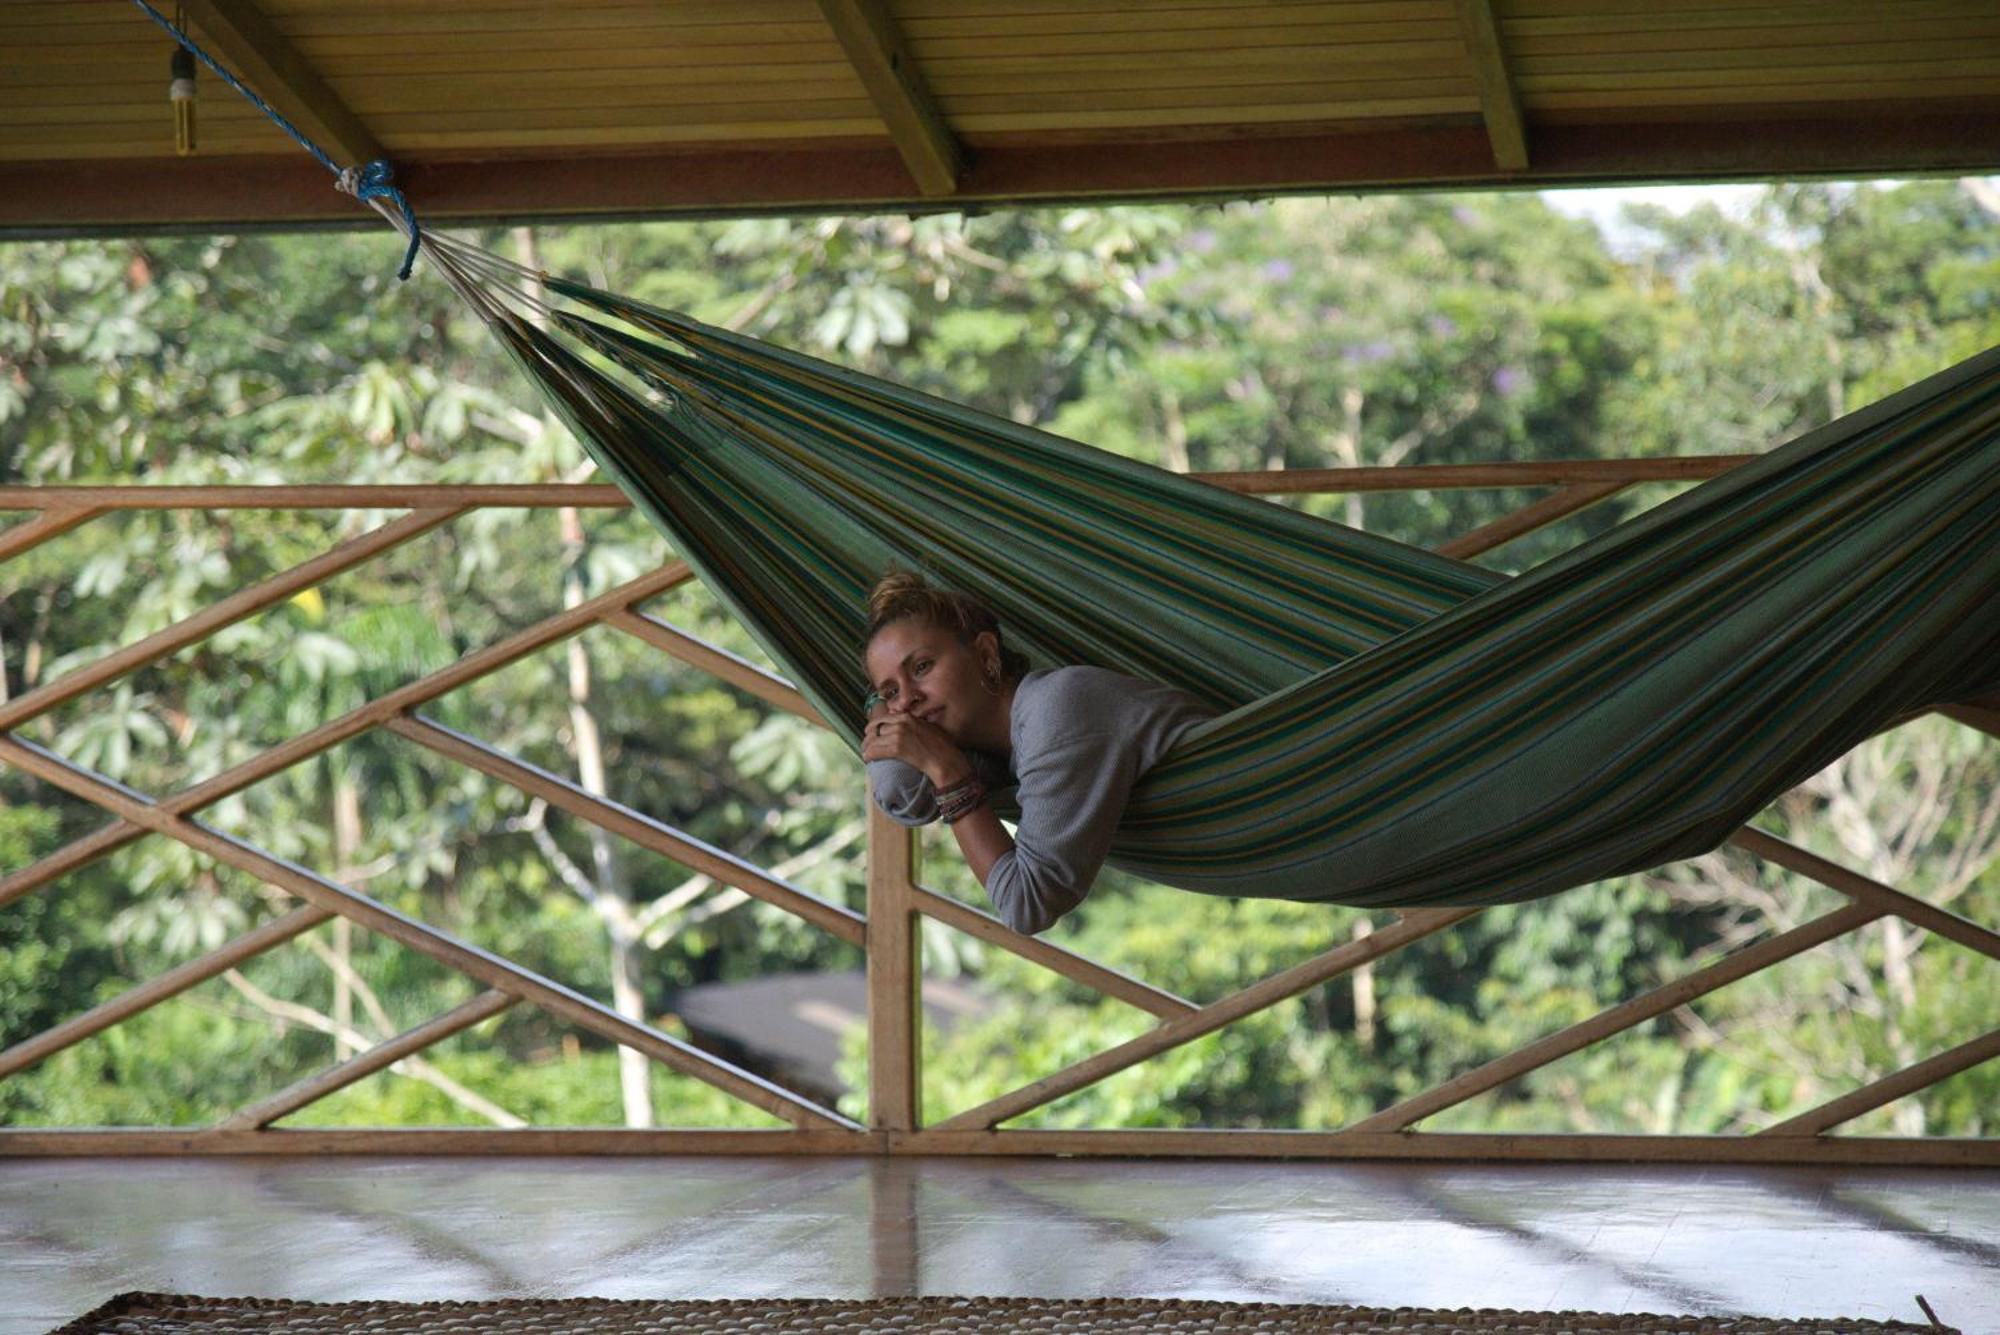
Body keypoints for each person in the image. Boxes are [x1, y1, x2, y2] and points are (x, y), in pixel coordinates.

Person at [860, 570, 1214, 935]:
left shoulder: (1057, 709)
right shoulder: (995, 755)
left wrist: (948, 773)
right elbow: (900, 793)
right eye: (890, 693)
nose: (907, 699)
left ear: (985, 653)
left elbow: (1027, 905)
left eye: (922, 667)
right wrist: (881, 706)